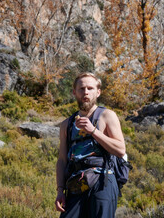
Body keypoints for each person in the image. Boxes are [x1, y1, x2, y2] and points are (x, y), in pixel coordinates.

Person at [55, 72, 126, 218]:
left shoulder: (107, 116)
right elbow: (62, 160)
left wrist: (93, 131)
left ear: (98, 92)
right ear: (74, 92)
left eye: (90, 88)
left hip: (103, 182)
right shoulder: (66, 125)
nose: (86, 92)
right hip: (75, 184)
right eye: (81, 89)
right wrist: (60, 191)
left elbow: (120, 150)